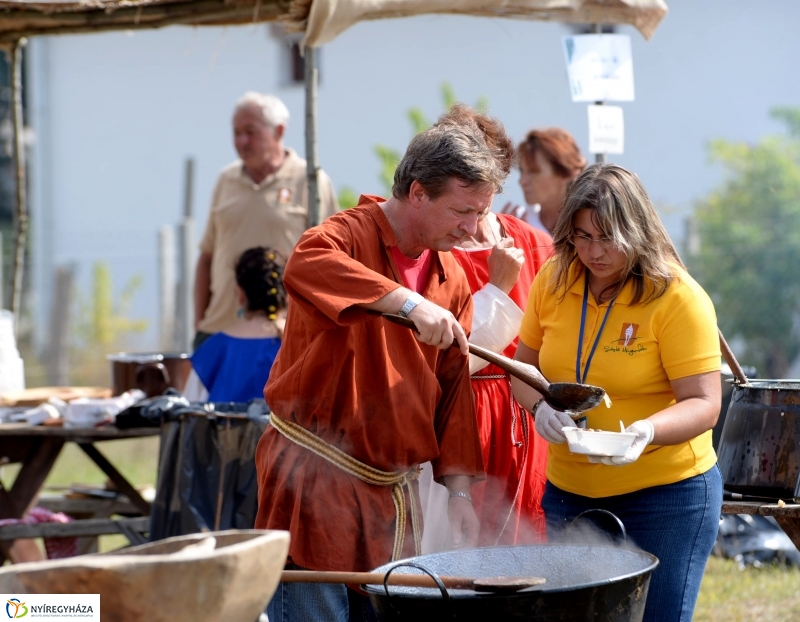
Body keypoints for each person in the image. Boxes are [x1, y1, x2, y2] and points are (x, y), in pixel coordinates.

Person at [256, 104, 515, 622]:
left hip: (390, 499)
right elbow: (307, 262)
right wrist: (408, 302)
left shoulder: (455, 278)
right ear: (417, 192)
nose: (472, 230)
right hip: (313, 483)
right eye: (462, 212)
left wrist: (460, 492)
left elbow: (452, 389)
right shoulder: (344, 236)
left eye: (480, 213)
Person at [510, 163, 722, 622]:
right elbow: (521, 369)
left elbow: (705, 404)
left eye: (608, 238)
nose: (593, 252)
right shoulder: (554, 279)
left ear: (637, 231)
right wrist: (539, 405)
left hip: (665, 496)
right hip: (571, 491)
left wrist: (646, 431)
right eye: (582, 236)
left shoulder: (677, 297)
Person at [419, 183, 554, 551]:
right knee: (455, 545)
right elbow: (438, 354)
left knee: (523, 538)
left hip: (522, 405)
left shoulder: (531, 240)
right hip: (457, 406)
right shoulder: (432, 244)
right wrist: (497, 288)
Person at [193, 91, 338, 350]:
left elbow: (331, 261)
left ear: (279, 132)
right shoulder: (226, 180)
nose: (241, 141)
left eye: (250, 131)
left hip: (286, 334)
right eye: (236, 132)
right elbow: (207, 257)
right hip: (220, 330)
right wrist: (199, 322)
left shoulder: (310, 180)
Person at [183, 247, 286, 403]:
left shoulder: (212, 350)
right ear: (287, 294)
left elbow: (190, 412)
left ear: (240, 294)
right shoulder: (302, 345)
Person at [502, 127, 586, 233]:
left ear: (565, 174)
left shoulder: (588, 225)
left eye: (533, 172)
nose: (522, 181)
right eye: (522, 171)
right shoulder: (516, 224)